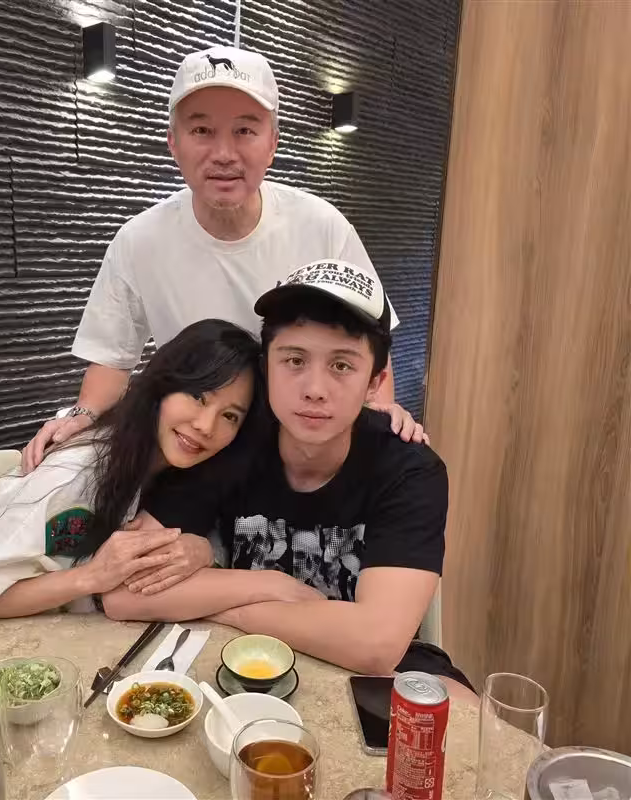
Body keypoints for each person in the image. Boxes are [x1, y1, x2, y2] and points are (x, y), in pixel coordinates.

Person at [22, 44, 424, 474]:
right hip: (199, 450)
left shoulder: (322, 225)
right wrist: (82, 416)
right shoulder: (139, 240)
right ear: (173, 143)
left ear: (272, 143)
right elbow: (112, 358)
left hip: (299, 452)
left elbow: (369, 336)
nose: (224, 154)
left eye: (245, 131)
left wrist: (381, 414)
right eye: (202, 130)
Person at [100, 259, 476, 701]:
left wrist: (230, 608)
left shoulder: (408, 469)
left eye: (342, 366)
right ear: (266, 369)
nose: (314, 389)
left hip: (368, 668)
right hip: (241, 660)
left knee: (466, 716)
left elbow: (377, 645)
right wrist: (272, 588)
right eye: (294, 360)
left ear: (375, 383)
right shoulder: (227, 442)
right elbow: (123, 593)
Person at [0, 320, 322, 630]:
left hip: (85, 641)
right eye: (198, 396)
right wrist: (90, 578)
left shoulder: (182, 473)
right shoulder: (73, 476)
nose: (206, 425)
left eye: (230, 416)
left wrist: (202, 549)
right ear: (163, 385)